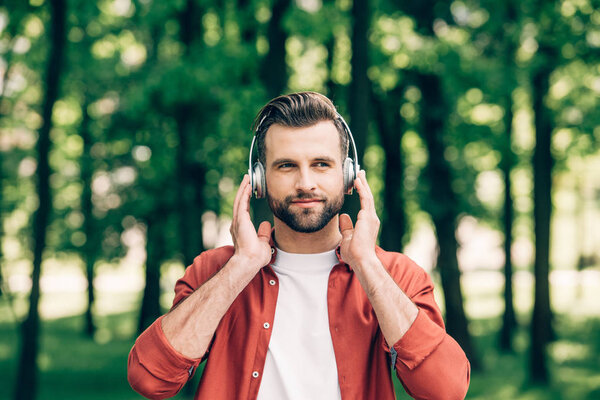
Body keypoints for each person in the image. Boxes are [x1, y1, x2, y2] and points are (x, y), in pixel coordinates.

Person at [127, 92, 470, 400]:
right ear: (259, 180)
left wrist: (366, 264)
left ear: (349, 176)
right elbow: (150, 379)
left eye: (321, 164)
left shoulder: (396, 275)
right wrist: (242, 266)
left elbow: (446, 389)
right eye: (287, 166)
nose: (306, 183)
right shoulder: (214, 271)